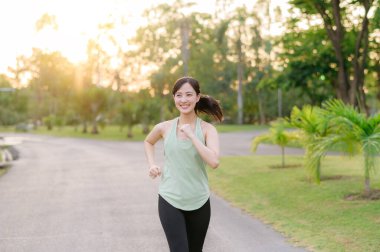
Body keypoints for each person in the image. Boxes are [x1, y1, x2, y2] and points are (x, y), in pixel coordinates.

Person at [144, 76, 223, 252]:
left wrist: (193, 135)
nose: (184, 100)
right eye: (179, 95)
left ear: (197, 97)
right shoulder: (164, 127)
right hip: (170, 198)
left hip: (199, 200)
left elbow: (214, 161)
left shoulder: (207, 130)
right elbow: (148, 142)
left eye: (189, 94)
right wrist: (151, 164)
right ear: (174, 98)